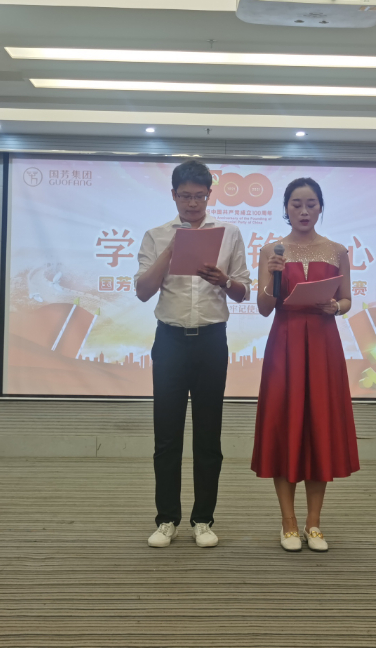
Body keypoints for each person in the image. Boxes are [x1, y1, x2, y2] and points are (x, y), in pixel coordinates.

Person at [135, 160, 251, 549]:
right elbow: (143, 291)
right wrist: (172, 251)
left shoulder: (229, 234)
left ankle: (203, 519)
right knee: (166, 435)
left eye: (199, 196)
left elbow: (243, 292)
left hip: (210, 340)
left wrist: (225, 280)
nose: (192, 203)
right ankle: (167, 519)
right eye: (185, 196)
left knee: (207, 435)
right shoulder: (155, 235)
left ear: (209, 195)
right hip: (169, 340)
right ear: (173, 195)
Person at [253, 178, 359, 552]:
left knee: (319, 427)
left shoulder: (337, 251)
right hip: (284, 344)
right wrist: (274, 274)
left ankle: (314, 524)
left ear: (320, 208)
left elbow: (346, 300)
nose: (303, 211)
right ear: (286, 208)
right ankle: (288, 523)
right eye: (296, 204)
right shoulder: (271, 251)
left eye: (311, 204)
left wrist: (335, 307)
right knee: (284, 425)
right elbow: (264, 308)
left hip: (323, 344)